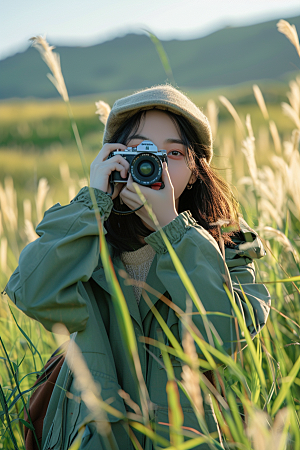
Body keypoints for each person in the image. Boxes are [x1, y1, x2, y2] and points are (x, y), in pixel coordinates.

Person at [5, 84, 271, 450]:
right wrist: (93, 202)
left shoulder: (229, 253)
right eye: (139, 152)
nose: (154, 164)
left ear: (195, 171)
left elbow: (222, 340)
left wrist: (172, 228)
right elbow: (31, 291)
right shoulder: (85, 246)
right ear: (113, 160)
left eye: (173, 153)